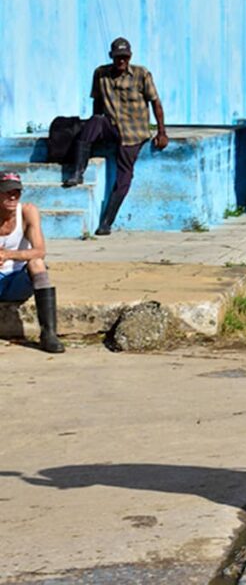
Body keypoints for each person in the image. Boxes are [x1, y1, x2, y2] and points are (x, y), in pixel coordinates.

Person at [64, 37, 169, 236]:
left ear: (129, 57)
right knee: (94, 122)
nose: (121, 61)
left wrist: (161, 132)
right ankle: (78, 172)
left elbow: (156, 103)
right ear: (112, 57)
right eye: (118, 57)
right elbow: (97, 103)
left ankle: (106, 222)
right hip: (111, 125)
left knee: (124, 175)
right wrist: (94, 132)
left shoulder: (141, 74)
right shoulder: (101, 74)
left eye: (125, 57)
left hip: (133, 132)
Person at [0, 172, 65, 354]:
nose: (13, 196)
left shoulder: (27, 211)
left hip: (17, 279)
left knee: (37, 263)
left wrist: (9, 254)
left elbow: (40, 251)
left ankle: (48, 333)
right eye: (7, 192)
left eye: (17, 192)